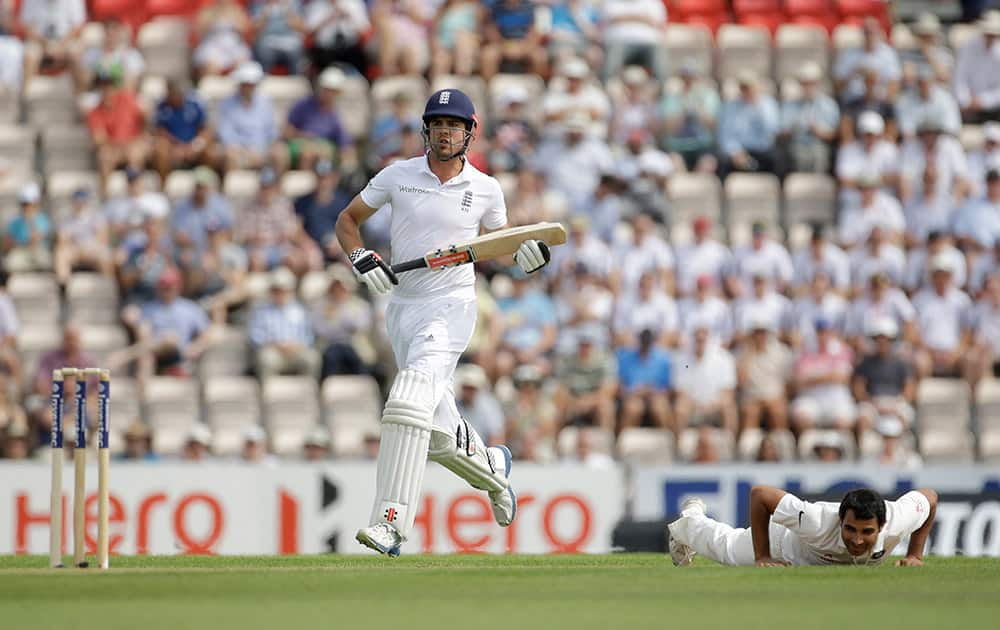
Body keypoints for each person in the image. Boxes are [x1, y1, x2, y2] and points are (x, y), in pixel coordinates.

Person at [334, 88, 547, 555]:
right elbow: (347, 220)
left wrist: (525, 259)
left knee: (407, 402)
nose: (445, 132)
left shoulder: (486, 189)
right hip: (402, 310)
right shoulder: (398, 175)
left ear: (470, 132)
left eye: (454, 125)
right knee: (430, 432)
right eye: (438, 124)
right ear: (425, 129)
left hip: (451, 310)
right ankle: (492, 468)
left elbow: (500, 248)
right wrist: (361, 257)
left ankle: (390, 522)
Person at [668, 486, 938, 567]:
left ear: (882, 527)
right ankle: (690, 519)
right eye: (850, 529)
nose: (856, 540)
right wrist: (763, 556)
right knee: (724, 548)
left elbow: (930, 497)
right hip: (782, 544)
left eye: (867, 532)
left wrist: (914, 555)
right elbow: (761, 495)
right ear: (840, 521)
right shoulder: (816, 521)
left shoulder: (897, 519)